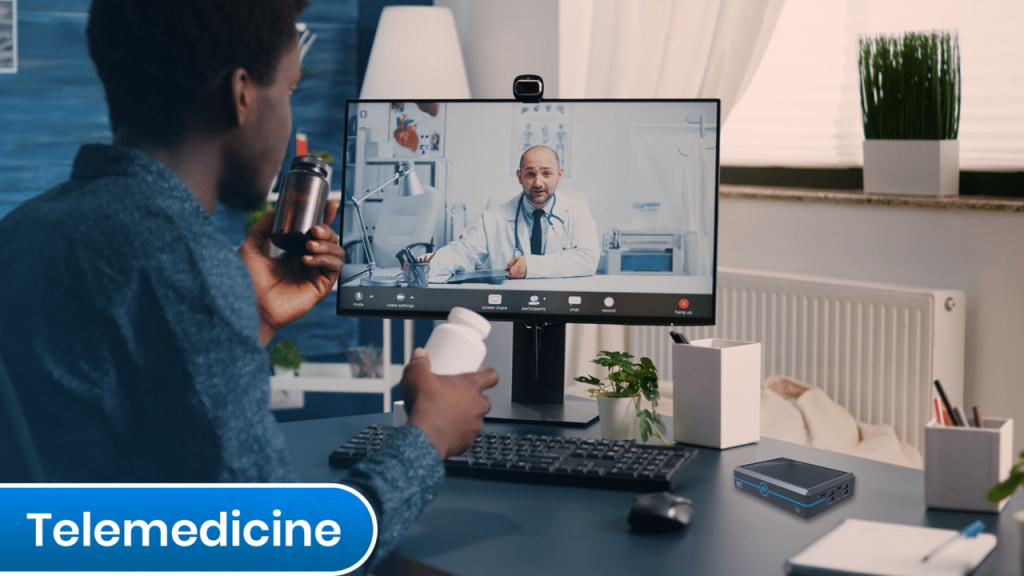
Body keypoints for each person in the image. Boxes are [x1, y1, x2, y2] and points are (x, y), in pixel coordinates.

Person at [0, 1, 496, 573]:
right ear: (241, 95)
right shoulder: (179, 261)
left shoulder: (27, 229)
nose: (287, 118)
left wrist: (252, 317)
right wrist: (429, 436)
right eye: (288, 90)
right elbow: (280, 552)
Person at [424, 145, 599, 280]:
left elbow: (588, 259)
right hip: (511, 305)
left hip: (561, 303)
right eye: (530, 174)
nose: (538, 182)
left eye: (546, 173)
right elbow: (464, 251)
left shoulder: (577, 211)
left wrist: (530, 266)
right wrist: (428, 264)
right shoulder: (494, 217)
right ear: (519, 176)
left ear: (559, 175)